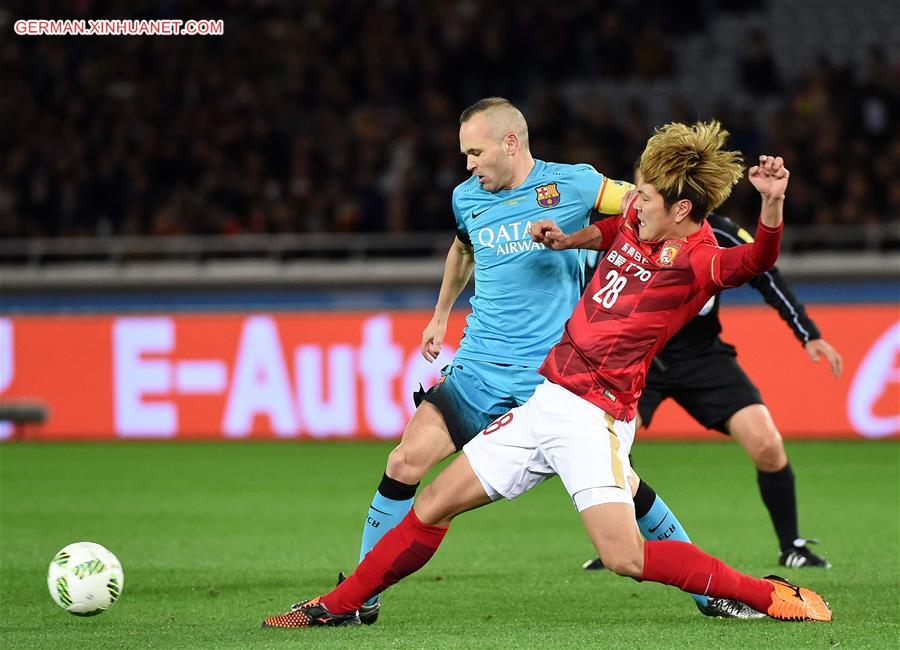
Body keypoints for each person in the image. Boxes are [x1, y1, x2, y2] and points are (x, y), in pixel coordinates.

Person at [261, 121, 832, 627]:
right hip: (546, 403)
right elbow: (610, 233)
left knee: (624, 558)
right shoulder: (636, 222)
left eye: (649, 195)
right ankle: (336, 608)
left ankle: (768, 595)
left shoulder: (699, 259)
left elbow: (756, 261)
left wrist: (772, 206)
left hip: (595, 417)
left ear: (682, 210)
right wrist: (569, 238)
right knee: (431, 501)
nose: (635, 201)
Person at [351, 97, 721, 624]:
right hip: (478, 368)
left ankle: (711, 592)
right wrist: (440, 314)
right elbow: (462, 250)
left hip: (554, 381)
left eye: (475, 152)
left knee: (628, 487)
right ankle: (362, 593)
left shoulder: (574, 185)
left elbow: (650, 205)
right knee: (403, 462)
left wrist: (693, 247)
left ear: (510, 143)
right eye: (464, 155)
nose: (468, 164)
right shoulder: (466, 198)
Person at [583, 197, 842, 573]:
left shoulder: (716, 232)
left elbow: (765, 273)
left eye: (649, 189)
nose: (638, 198)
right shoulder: (625, 229)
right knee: (610, 448)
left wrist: (808, 334)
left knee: (767, 443)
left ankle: (792, 547)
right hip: (638, 359)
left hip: (703, 358)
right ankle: (623, 543)